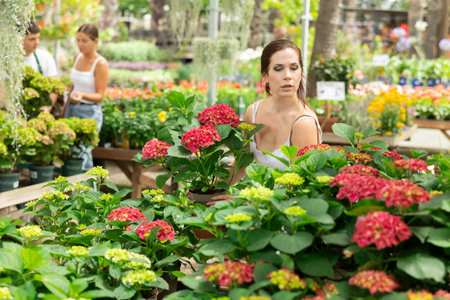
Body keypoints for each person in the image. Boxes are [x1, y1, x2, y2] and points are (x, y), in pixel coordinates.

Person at [210, 39, 322, 204]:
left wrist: (242, 201)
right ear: (265, 76)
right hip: (256, 208)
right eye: (278, 69)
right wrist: (207, 190)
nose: (287, 76)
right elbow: (241, 165)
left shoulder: (303, 123)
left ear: (301, 73)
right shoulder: (253, 113)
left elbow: (300, 189)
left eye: (294, 68)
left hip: (289, 215)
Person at [65, 23, 109, 170]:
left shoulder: (100, 63)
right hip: (71, 109)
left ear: (95, 41)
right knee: (70, 155)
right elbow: (73, 85)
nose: (80, 44)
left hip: (89, 113)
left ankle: (89, 191)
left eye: (84, 41)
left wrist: (82, 95)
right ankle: (76, 192)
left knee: (83, 156)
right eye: (78, 40)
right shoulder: (77, 58)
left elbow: (100, 96)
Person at [23, 21, 58, 113]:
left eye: (38, 38)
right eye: (32, 39)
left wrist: (48, 107)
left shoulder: (45, 57)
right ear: (19, 39)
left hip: (39, 110)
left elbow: (54, 87)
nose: (37, 42)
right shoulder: (8, 60)